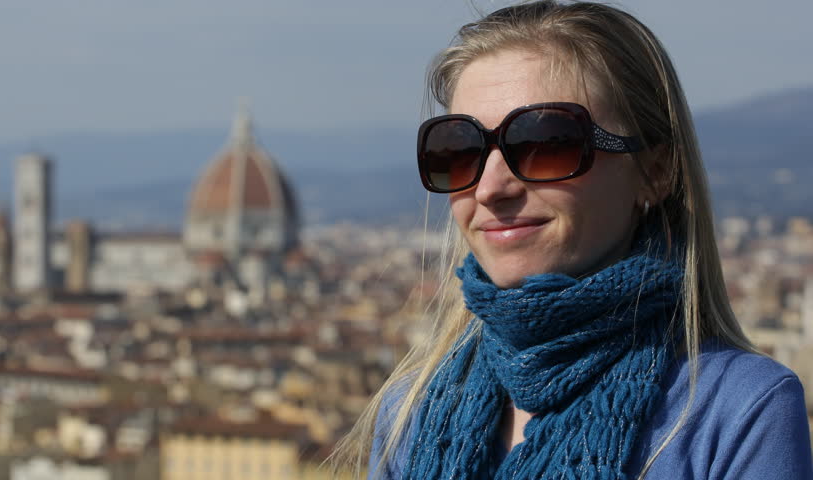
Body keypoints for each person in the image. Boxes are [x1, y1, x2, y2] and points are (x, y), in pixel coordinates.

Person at [329, 1, 813, 479]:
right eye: (458, 151)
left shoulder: (739, 414)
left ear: (656, 170)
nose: (490, 187)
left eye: (547, 144)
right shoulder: (408, 415)